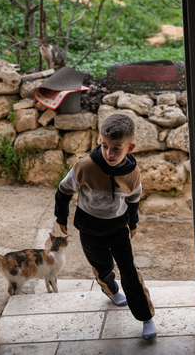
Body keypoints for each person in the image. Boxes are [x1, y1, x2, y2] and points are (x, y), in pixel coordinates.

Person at [54, 114, 156, 340]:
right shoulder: (85, 166)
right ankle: (110, 290)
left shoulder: (132, 173)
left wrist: (132, 222)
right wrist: (62, 217)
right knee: (102, 267)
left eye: (116, 148)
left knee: (130, 271)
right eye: (104, 146)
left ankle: (146, 317)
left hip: (118, 231)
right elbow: (63, 191)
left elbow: (133, 199)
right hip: (89, 231)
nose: (109, 153)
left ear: (130, 147)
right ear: (100, 140)